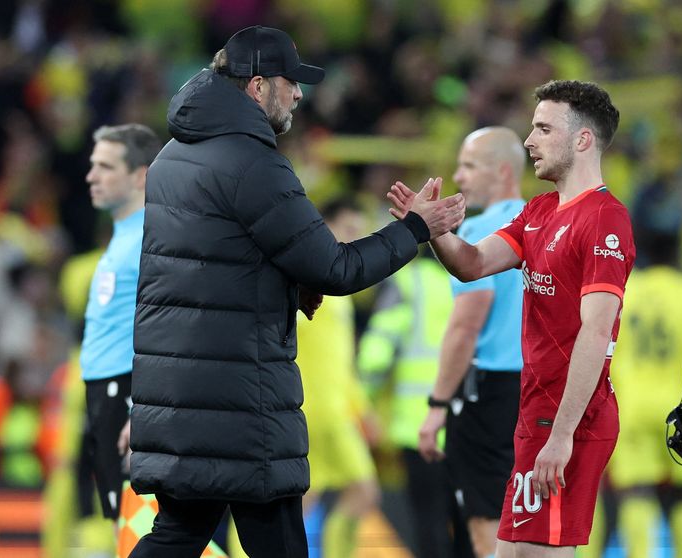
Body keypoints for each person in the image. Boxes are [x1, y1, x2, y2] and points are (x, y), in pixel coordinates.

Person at [127, 25, 465, 558]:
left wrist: (285, 281)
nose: (300, 95)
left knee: (177, 535)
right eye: (291, 82)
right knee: (275, 543)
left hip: (178, 393)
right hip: (240, 396)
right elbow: (337, 268)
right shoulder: (252, 162)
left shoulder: (172, 156)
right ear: (258, 86)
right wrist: (414, 228)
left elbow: (213, 262)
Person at [388, 80, 634, 558]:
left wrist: (561, 436)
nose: (529, 140)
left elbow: (596, 329)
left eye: (544, 129)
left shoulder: (605, 219)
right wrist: (431, 228)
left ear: (583, 139)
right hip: (531, 413)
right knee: (510, 553)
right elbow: (473, 263)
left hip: (571, 420)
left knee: (541, 554)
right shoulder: (540, 210)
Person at [417, 126, 526, 558]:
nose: (459, 177)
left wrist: (437, 406)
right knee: (530, 522)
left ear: (502, 171)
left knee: (488, 524)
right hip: (542, 390)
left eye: (469, 166)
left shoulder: (482, 231)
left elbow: (466, 324)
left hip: (491, 394)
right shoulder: (545, 225)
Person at [607, 218, 682, 558]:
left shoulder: (627, 291)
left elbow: (611, 348)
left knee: (635, 490)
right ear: (676, 255)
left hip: (634, 402)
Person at [358, 247, 466, 558]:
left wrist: (364, 399)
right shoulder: (474, 279)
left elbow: (376, 354)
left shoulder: (408, 282)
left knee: (429, 520)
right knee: (470, 524)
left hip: (418, 426)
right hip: (469, 425)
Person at [80, 123, 162, 521]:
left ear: (140, 176)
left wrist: (144, 410)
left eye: (106, 167)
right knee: (125, 526)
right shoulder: (125, 236)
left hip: (129, 393)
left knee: (143, 529)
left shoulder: (151, 237)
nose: (91, 176)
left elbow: (167, 326)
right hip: (108, 392)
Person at [294, 197, 379, 558]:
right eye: (346, 229)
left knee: (361, 491)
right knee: (300, 499)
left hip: (335, 413)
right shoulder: (306, 280)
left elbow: (343, 365)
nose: (352, 238)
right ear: (322, 228)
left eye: (358, 232)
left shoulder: (340, 290)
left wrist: (363, 410)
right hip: (307, 412)